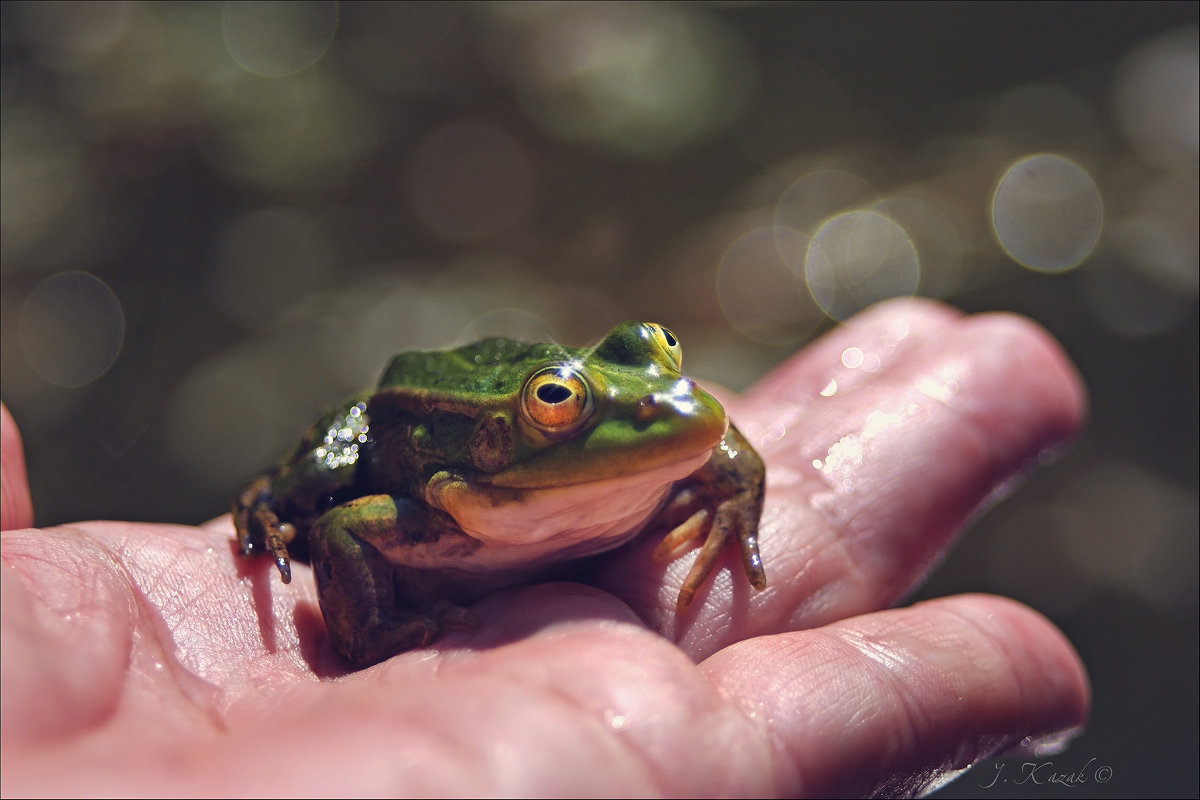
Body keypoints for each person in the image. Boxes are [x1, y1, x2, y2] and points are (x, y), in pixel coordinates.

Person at [0, 299, 1090, 796]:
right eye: (567, 406)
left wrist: (732, 501)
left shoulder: (676, 423)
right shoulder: (429, 503)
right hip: (398, 424)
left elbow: (716, 433)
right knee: (307, 487)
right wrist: (378, 623)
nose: (677, 407)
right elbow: (343, 523)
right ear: (515, 424)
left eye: (662, 365)